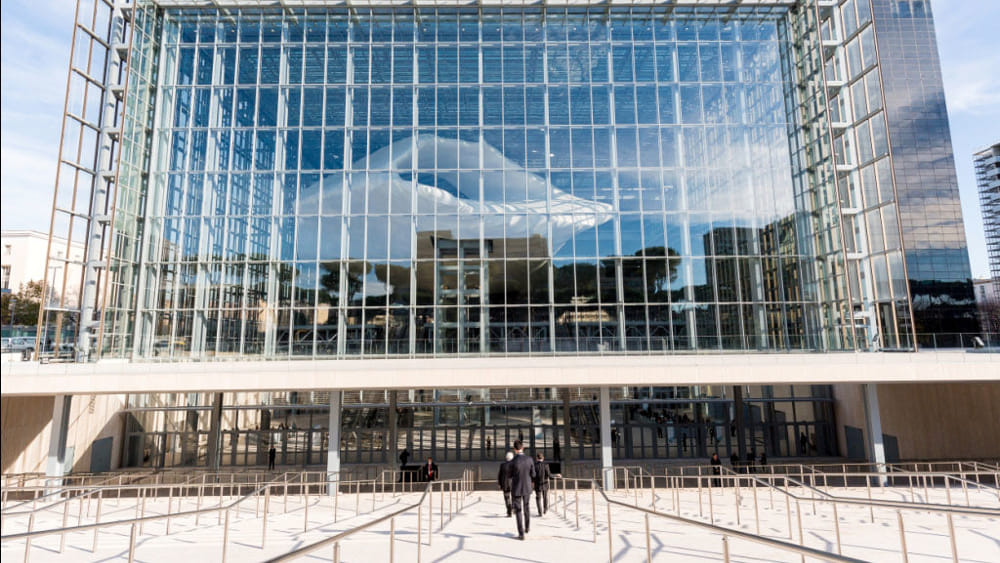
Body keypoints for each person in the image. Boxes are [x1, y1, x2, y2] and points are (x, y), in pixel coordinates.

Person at [506, 439, 535, 540]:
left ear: (514, 449)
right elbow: (533, 474)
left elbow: (509, 475)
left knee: (518, 510)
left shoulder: (513, 461)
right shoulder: (530, 459)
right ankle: (527, 527)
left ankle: (521, 533)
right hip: (527, 487)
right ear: (522, 448)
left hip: (517, 488)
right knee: (526, 507)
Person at [498, 451, 514, 517]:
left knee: (507, 498)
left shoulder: (502, 465)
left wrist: (499, 484)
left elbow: (499, 475)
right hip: (513, 483)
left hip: (505, 483)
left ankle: (509, 511)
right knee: (514, 497)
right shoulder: (514, 465)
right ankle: (512, 508)